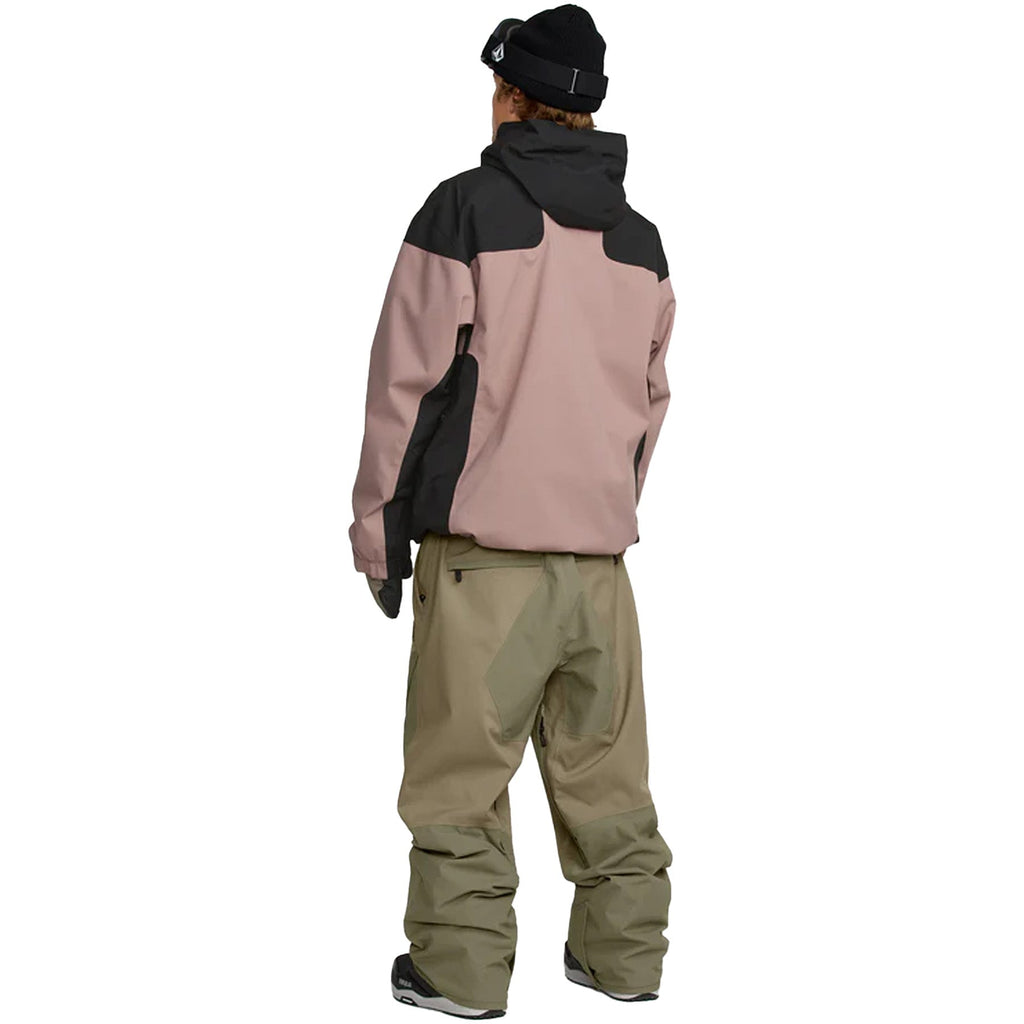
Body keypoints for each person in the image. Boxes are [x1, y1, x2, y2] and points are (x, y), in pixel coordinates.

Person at [348, 5, 676, 1017]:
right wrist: (599, 512)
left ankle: (460, 973)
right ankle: (624, 961)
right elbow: (648, 406)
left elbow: (405, 387)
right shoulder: (642, 242)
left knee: (457, 783)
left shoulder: (463, 211)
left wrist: (377, 534)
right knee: (607, 781)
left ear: (508, 95)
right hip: (600, 575)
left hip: (483, 565)